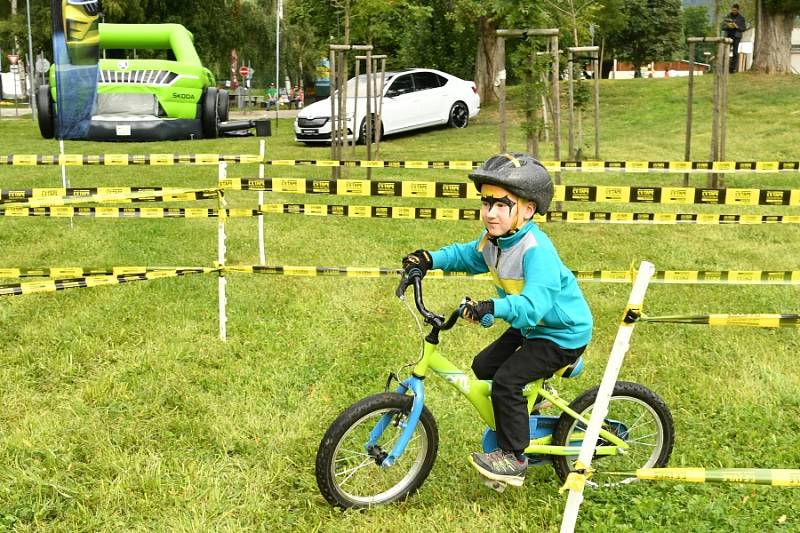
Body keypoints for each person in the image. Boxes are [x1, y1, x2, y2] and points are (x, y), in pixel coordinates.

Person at [402, 153, 593, 487]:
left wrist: (493, 307)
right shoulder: (496, 240)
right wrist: (430, 259)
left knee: (507, 381)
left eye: (501, 204)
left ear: (528, 209)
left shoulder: (537, 250)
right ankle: (526, 414)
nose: (490, 212)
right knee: (484, 366)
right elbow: (466, 255)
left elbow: (533, 306)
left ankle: (514, 457)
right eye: (486, 202)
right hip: (532, 328)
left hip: (561, 333)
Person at [722, 3, 746, 73]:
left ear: (738, 10)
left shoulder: (741, 18)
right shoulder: (728, 16)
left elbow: (743, 29)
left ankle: (732, 69)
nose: (733, 11)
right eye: (732, 10)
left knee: (735, 53)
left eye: (735, 10)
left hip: (737, 37)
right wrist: (728, 26)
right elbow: (722, 27)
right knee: (725, 52)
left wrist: (737, 26)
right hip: (728, 36)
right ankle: (724, 68)